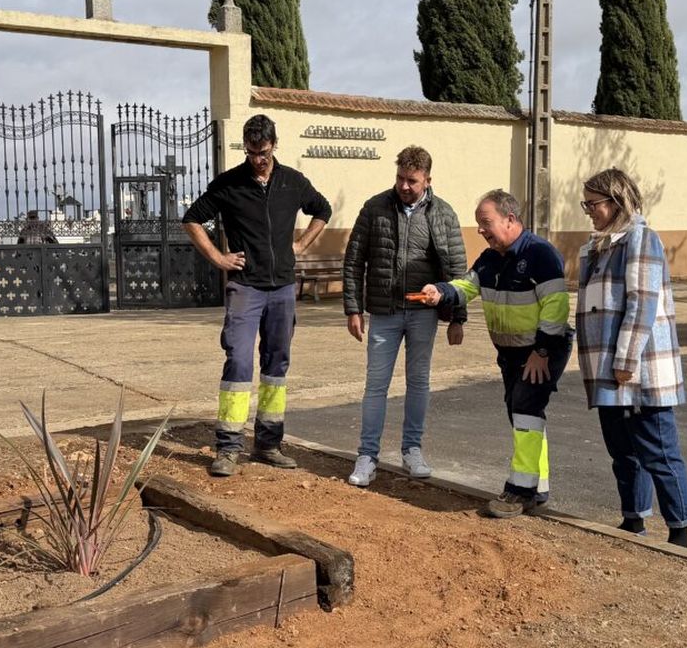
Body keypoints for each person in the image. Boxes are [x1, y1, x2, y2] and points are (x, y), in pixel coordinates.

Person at [182, 114, 332, 477]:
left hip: (281, 288)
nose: (257, 160)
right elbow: (191, 219)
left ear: (274, 145)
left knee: (276, 365)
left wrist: (300, 244)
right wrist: (218, 257)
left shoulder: (293, 182)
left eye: (262, 152)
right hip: (245, 288)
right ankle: (229, 446)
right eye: (251, 153)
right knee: (238, 362)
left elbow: (322, 210)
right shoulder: (229, 184)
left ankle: (268, 443)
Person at [419, 189, 571, 518]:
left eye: (485, 223)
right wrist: (439, 291)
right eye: (478, 224)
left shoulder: (541, 254)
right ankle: (538, 486)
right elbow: (468, 286)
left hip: (541, 349)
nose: (481, 231)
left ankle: (520, 491)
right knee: (522, 417)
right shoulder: (489, 258)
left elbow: (556, 308)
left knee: (526, 409)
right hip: (511, 352)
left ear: (510, 220)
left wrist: (542, 351)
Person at [576, 168, 687, 546]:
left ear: (616, 201)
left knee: (659, 452)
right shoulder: (599, 246)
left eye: (593, 204)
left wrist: (626, 361)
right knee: (623, 452)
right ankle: (634, 519)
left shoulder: (640, 239)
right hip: (609, 371)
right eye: (587, 204)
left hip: (638, 371)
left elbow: (641, 302)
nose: (589, 211)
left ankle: (680, 531)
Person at [341, 145, 468, 487]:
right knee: (376, 386)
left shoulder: (443, 214)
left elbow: (457, 270)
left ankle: (412, 450)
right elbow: (354, 261)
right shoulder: (374, 208)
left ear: (427, 180)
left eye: (412, 180)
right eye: (400, 178)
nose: (404, 186)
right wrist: (353, 308)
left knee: (418, 384)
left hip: (423, 315)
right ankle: (367, 456)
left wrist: (457, 318)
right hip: (384, 313)